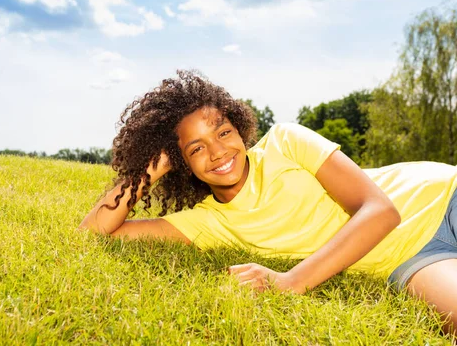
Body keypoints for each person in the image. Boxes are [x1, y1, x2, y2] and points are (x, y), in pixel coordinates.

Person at [79, 70, 457, 334]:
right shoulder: (208, 222)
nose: (218, 151)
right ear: (182, 164)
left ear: (239, 128)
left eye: (223, 132)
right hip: (412, 260)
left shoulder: (286, 142)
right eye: (196, 149)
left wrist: (290, 282)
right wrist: (147, 171)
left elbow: (380, 211)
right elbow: (94, 232)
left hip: (441, 194)